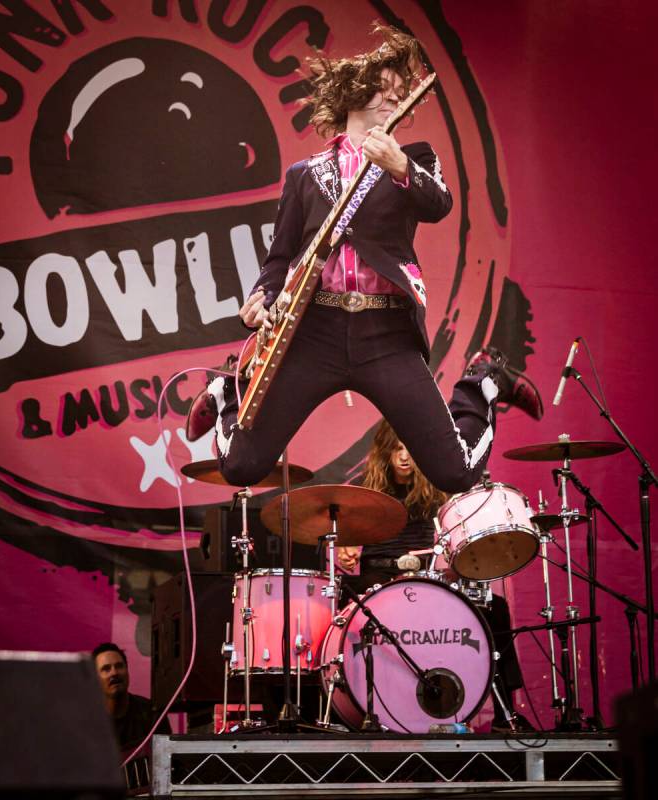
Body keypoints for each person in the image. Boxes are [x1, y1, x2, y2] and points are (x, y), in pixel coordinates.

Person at [186, 24, 542, 494]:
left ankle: (481, 379)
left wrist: (399, 166)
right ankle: (226, 390)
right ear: (354, 94)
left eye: (401, 93)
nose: (395, 99)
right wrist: (262, 297)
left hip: (385, 334)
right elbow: (280, 258)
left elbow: (439, 205)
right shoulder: (305, 175)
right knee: (242, 467)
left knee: (456, 472)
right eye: (385, 90)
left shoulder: (415, 158)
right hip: (315, 331)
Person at [337, 420, 534, 732]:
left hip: (423, 578)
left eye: (410, 450)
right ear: (385, 453)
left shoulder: (437, 490)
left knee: (495, 610)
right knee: (346, 605)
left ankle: (505, 713)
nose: (404, 457)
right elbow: (343, 539)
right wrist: (345, 546)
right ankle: (358, 710)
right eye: (397, 449)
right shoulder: (365, 490)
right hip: (378, 577)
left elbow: (455, 538)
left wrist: (456, 566)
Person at [92, 642, 170, 753]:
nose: (114, 673)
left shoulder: (153, 714)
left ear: (127, 671)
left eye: (119, 666)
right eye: (106, 669)